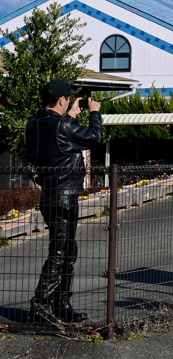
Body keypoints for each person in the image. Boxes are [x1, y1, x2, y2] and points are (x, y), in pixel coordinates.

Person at [25, 80, 102, 324]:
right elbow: (96, 136)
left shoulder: (33, 124)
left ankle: (61, 304)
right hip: (65, 195)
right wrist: (95, 112)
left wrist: (69, 116)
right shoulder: (63, 126)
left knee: (66, 250)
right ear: (62, 100)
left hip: (48, 193)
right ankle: (40, 306)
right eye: (67, 98)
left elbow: (59, 141)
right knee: (61, 252)